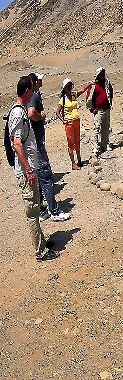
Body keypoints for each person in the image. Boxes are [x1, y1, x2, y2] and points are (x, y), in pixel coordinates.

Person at [7, 75, 54, 260]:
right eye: (33, 90)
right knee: (33, 211)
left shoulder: (20, 110)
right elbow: (17, 143)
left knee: (35, 206)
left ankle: (42, 242)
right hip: (26, 171)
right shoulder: (18, 113)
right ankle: (40, 252)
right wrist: (28, 169)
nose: (34, 92)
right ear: (27, 91)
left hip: (29, 168)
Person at [27, 73, 71, 222]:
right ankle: (55, 211)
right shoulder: (34, 95)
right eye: (40, 79)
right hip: (37, 144)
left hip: (33, 143)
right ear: (35, 82)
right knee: (46, 177)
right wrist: (42, 116)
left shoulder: (32, 94)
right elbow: (32, 113)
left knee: (40, 179)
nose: (42, 81)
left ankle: (42, 210)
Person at [56, 78, 90, 170]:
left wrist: (90, 84)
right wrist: (63, 121)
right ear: (64, 88)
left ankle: (79, 160)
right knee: (71, 142)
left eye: (70, 86)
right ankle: (73, 163)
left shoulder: (74, 95)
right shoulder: (63, 99)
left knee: (77, 140)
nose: (69, 88)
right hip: (69, 123)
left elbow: (82, 90)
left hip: (76, 121)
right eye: (67, 87)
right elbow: (58, 112)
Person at [85, 67, 113, 158]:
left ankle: (105, 144)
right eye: (101, 73)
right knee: (96, 129)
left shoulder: (107, 83)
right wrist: (92, 109)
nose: (103, 75)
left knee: (106, 127)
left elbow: (110, 93)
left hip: (106, 109)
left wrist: (109, 104)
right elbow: (89, 98)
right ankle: (95, 147)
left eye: (103, 73)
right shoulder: (94, 86)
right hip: (99, 110)